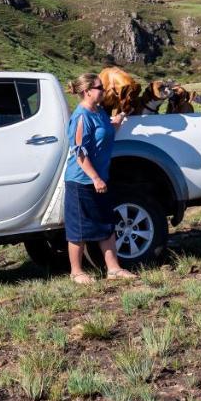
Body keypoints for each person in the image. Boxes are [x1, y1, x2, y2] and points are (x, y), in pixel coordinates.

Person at [64, 73, 138, 284]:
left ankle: (113, 269)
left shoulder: (99, 112)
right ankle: (76, 272)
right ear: (87, 91)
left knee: (106, 223)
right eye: (100, 88)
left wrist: (117, 122)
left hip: (100, 179)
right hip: (81, 181)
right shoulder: (82, 116)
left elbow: (105, 133)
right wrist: (95, 178)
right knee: (78, 229)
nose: (104, 91)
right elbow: (79, 153)